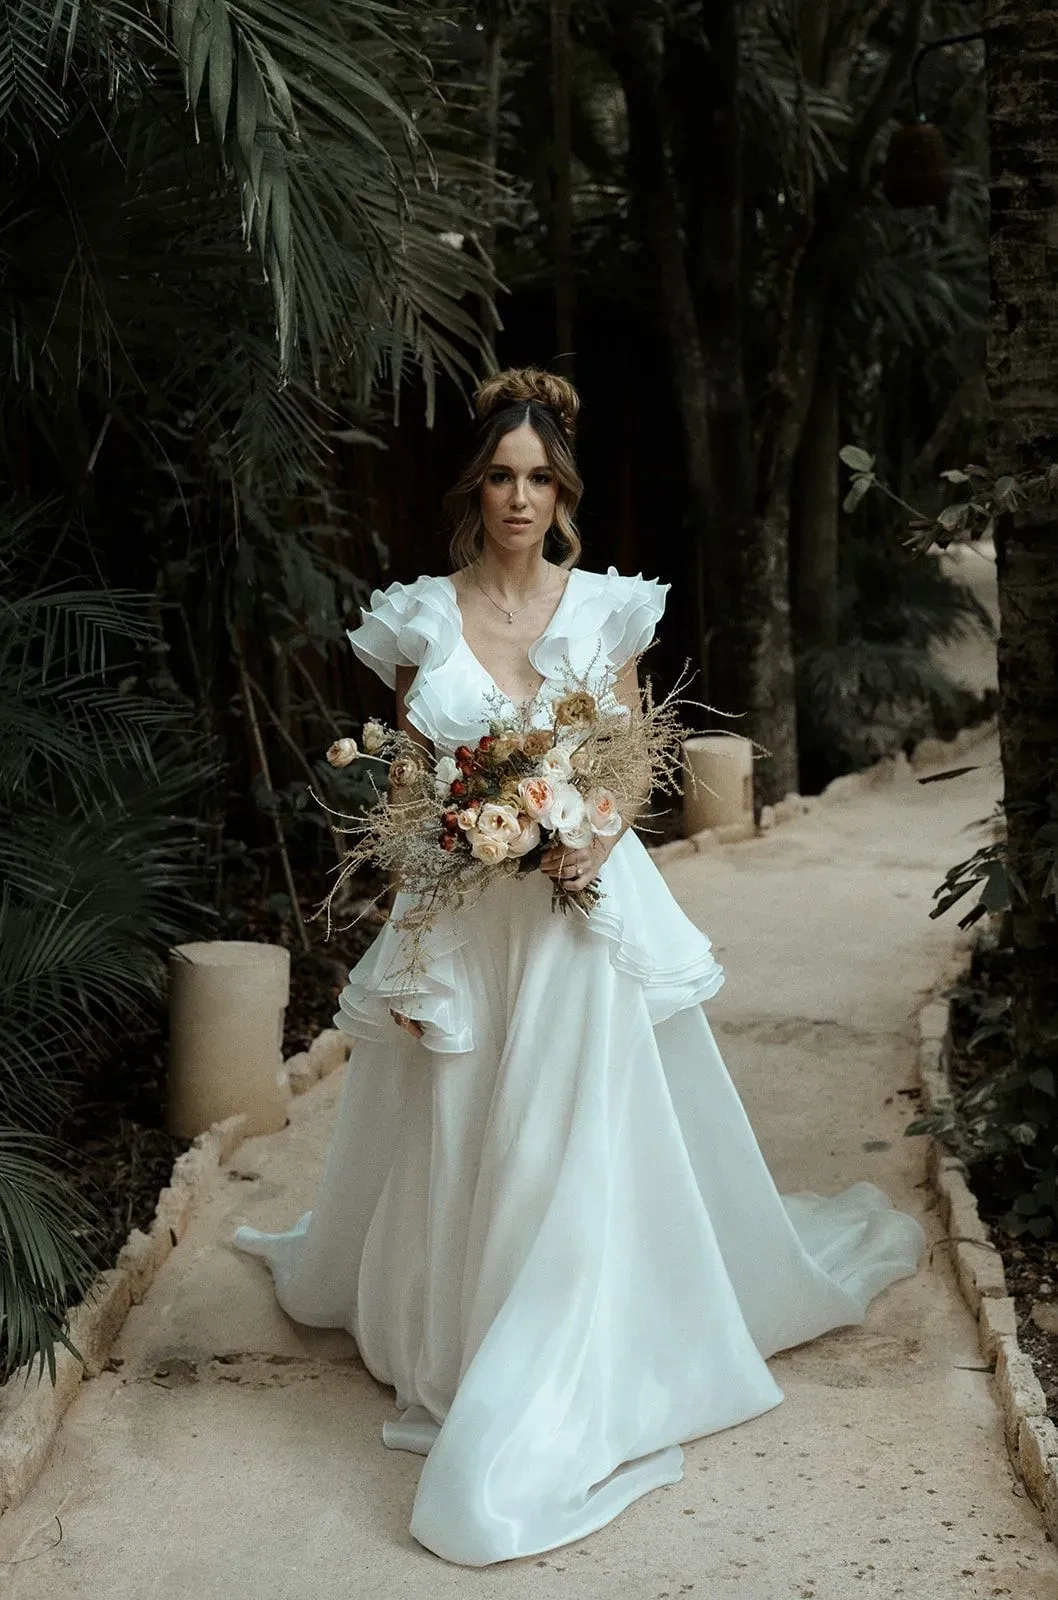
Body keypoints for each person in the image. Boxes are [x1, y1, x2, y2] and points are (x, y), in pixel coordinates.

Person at [232, 365, 926, 1568]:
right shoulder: (420, 617)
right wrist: (452, 829)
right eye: (499, 476)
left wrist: (574, 840)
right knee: (461, 1123)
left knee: (557, 1135)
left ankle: (549, 1349)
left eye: (536, 477)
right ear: (475, 488)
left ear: (562, 493)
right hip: (461, 915)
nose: (516, 495)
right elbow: (404, 776)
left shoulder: (604, 610)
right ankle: (461, 1331)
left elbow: (618, 764)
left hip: (571, 909)